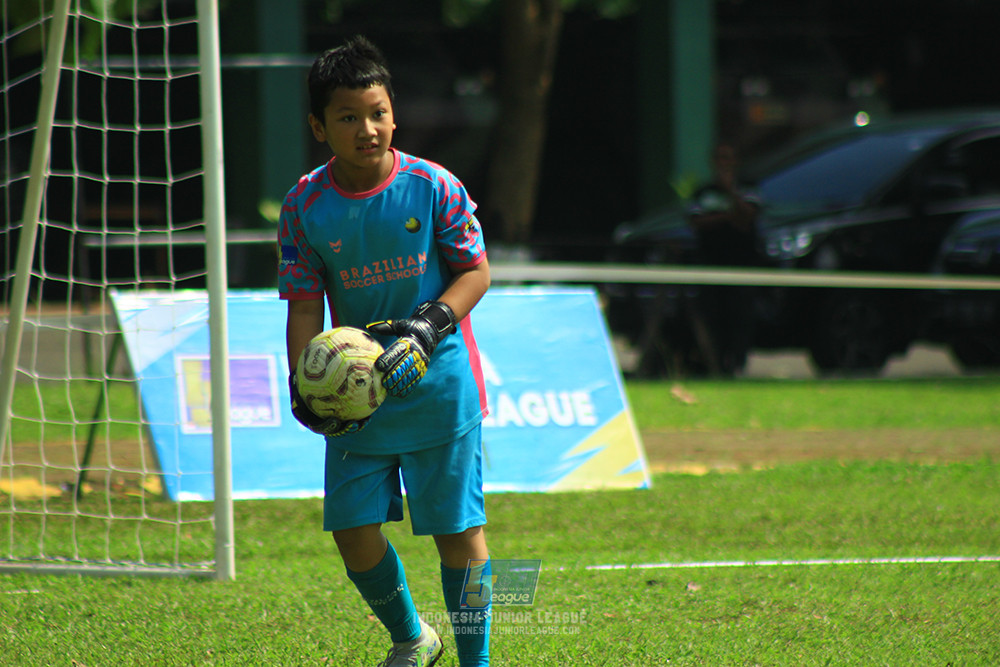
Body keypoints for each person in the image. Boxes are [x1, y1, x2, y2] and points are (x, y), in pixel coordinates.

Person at [277, 36, 492, 667]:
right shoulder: (303, 206)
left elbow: (476, 273)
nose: (366, 129)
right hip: (357, 397)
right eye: (347, 116)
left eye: (377, 112)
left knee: (460, 534)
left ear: (394, 114)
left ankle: (475, 662)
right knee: (352, 533)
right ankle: (412, 637)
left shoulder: (432, 185)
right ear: (319, 126)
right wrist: (302, 380)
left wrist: (429, 326)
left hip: (439, 387)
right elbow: (304, 305)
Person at [686, 143, 762, 375]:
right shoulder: (703, 192)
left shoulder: (748, 188)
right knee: (712, 317)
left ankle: (737, 366)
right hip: (710, 265)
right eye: (720, 158)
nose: (724, 163)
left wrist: (730, 193)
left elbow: (749, 217)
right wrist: (729, 216)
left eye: (728, 158)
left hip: (741, 266)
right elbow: (696, 221)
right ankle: (714, 365)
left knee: (740, 316)